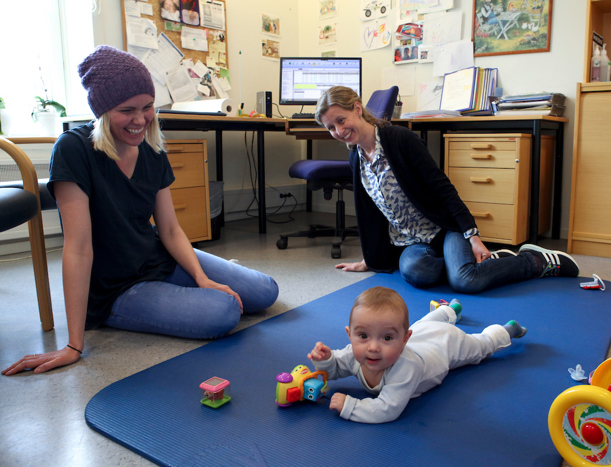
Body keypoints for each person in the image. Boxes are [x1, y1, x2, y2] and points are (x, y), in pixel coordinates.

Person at [2, 45, 278, 376]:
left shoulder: (150, 150)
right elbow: (78, 248)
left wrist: (202, 277)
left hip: (157, 258)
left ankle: (200, 281)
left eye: (148, 107)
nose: (140, 120)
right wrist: (74, 344)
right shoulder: (73, 150)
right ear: (102, 111)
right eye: (126, 110)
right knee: (225, 312)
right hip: (115, 287)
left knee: (265, 291)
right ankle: (175, 296)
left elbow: (171, 231)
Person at [315, 86, 579, 294]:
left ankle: (534, 261)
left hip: (443, 229)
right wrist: (370, 260)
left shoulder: (399, 140)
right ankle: (476, 263)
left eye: (341, 119)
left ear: (358, 109)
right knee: (416, 272)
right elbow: (369, 215)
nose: (338, 130)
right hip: (410, 242)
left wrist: (473, 236)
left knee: (465, 281)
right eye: (330, 127)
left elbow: (443, 188)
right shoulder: (356, 158)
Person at [307, 286, 526, 423]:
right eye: (363, 335)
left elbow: (387, 409)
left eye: (386, 338)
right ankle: (450, 310)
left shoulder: (406, 367)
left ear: (404, 339)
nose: (372, 347)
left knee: (480, 347)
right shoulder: (356, 353)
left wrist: (350, 406)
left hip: (443, 345)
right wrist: (326, 360)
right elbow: (335, 369)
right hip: (420, 333)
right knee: (423, 323)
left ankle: (505, 331)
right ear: (350, 334)